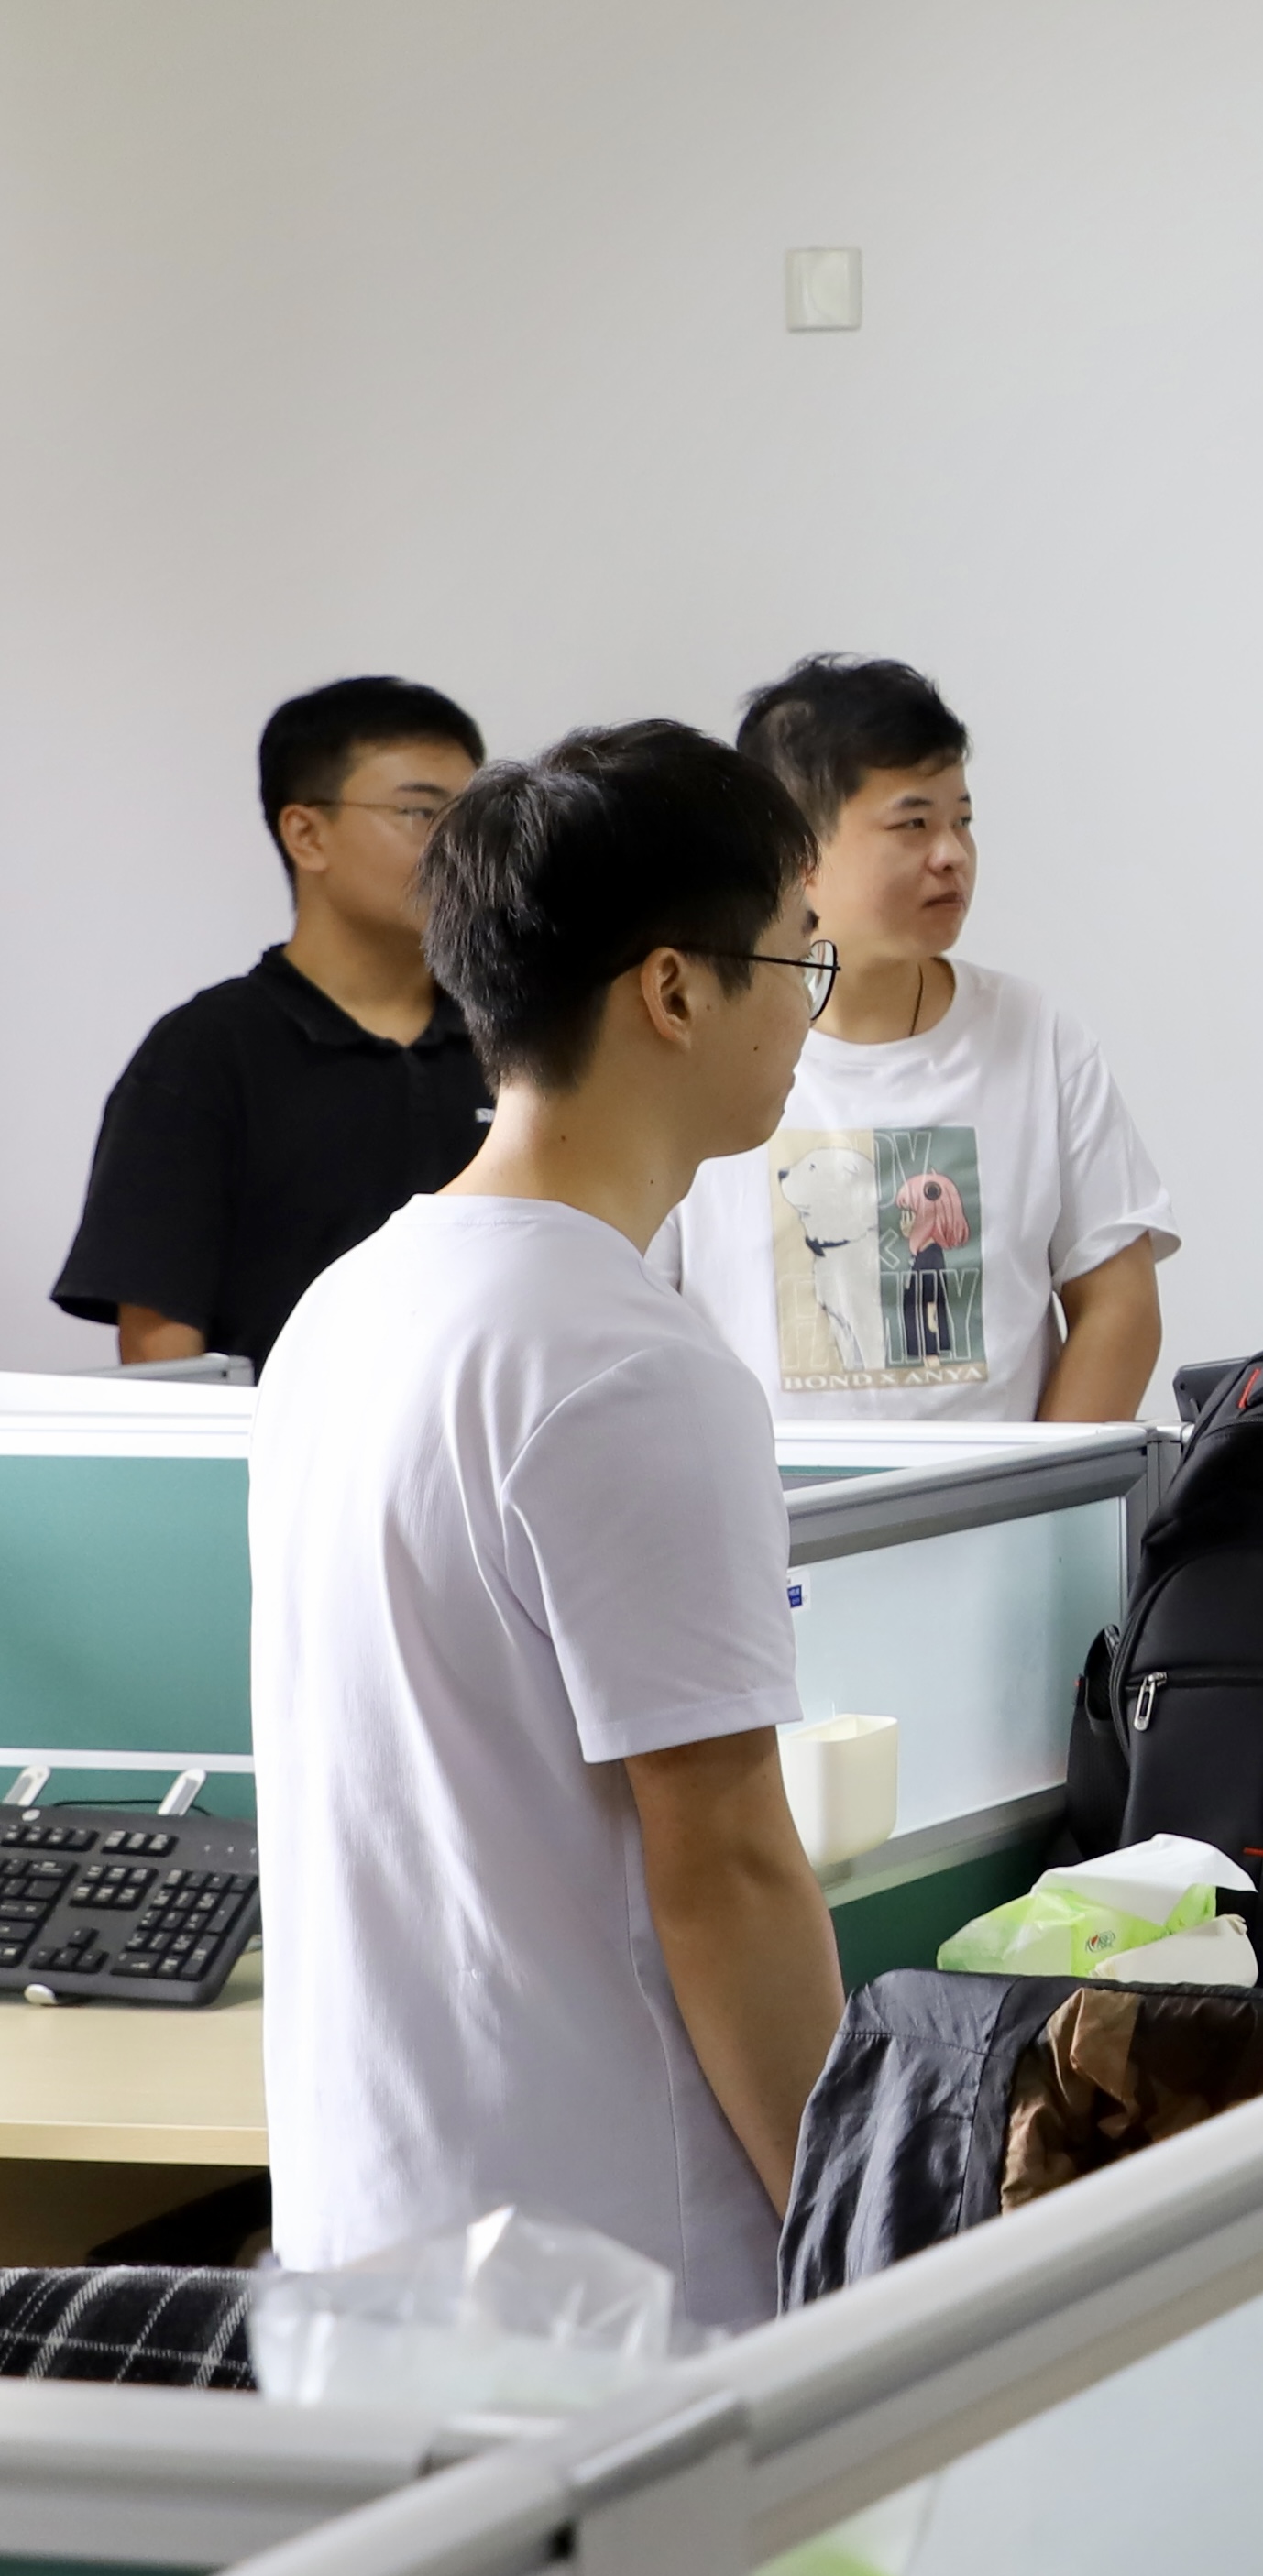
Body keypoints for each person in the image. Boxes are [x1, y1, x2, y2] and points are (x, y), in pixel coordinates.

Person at [249, 720, 853, 2336]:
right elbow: (727, 1873)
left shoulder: (346, 1307)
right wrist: (856, 2236)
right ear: (673, 990)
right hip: (614, 2277)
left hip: (370, 2237)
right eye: (798, 953)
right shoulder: (628, 1368)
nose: (811, 1004)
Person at [653, 655, 1175, 1422]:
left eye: (962, 819)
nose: (951, 853)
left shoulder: (1037, 1038)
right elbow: (638, 1320)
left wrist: (1041, 1489)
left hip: (1004, 1500)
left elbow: (1118, 1305)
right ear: (794, 851)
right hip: (770, 1501)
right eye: (914, 823)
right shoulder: (696, 1055)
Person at [52, 677, 494, 1367]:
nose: (458, 846)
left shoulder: (516, 1042)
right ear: (306, 834)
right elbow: (161, 1342)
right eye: (420, 812)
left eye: (473, 817)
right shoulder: (205, 1052)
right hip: (272, 1438)